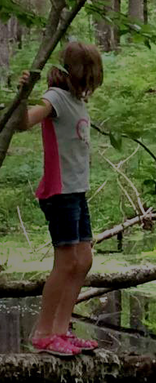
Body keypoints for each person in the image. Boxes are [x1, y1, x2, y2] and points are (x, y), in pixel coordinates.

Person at [15, 42, 104, 357]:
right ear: (79, 74)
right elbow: (24, 122)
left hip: (77, 192)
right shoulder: (56, 98)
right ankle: (43, 333)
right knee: (65, 262)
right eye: (89, 79)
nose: (90, 86)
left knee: (84, 260)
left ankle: (62, 329)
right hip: (59, 192)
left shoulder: (78, 101)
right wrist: (23, 93)